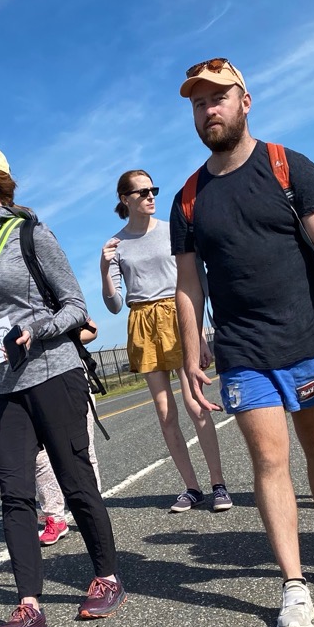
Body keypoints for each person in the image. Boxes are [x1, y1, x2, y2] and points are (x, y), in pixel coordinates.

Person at [170, 57, 314, 627]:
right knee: (268, 461)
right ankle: (293, 584)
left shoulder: (288, 166)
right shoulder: (188, 198)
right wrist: (190, 356)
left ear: (245, 101)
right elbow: (189, 285)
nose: (209, 110)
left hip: (307, 341)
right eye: (199, 103)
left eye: (218, 98)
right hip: (243, 351)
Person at [0, 141, 125, 627]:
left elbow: (76, 308)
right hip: (1, 386)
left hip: (54, 373)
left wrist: (36, 331)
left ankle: (107, 576)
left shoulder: (32, 234)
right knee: (15, 493)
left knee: (75, 480)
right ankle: (29, 607)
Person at [101, 169, 231, 514]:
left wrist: (201, 335)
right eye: (142, 192)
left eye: (153, 190)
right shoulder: (116, 244)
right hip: (141, 320)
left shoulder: (173, 230)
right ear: (125, 199)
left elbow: (195, 282)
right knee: (164, 412)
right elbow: (113, 304)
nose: (150, 196)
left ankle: (218, 484)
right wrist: (104, 268)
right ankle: (192, 488)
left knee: (195, 404)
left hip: (177, 314)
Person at [36, 321, 102, 547]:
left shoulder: (54, 300)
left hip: (69, 377)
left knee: (81, 449)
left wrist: (51, 341)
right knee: (39, 456)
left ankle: (93, 509)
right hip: (29, 385)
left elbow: (92, 329)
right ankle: (54, 517)